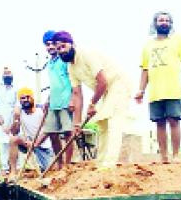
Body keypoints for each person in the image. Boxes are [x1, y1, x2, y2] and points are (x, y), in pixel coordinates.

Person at [52, 30, 135, 168]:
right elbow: (77, 94)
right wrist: (77, 124)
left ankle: (109, 165)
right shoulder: (71, 68)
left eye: (63, 46)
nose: (61, 51)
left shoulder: (86, 54)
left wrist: (92, 104)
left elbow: (102, 81)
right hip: (105, 92)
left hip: (118, 83)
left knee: (114, 121)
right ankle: (101, 163)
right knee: (102, 124)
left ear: (71, 44)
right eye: (58, 49)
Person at [134, 12, 181, 163]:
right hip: (155, 91)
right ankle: (164, 157)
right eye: (161, 20)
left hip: (173, 89)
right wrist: (141, 90)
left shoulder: (178, 40)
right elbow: (145, 69)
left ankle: (176, 155)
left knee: (174, 120)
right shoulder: (148, 45)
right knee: (159, 122)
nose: (164, 22)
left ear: (170, 24)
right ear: (155, 23)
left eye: (167, 20)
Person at [42, 30, 75, 169]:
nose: (50, 47)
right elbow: (54, 84)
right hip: (53, 103)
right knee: (52, 133)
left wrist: (73, 98)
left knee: (68, 133)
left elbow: (73, 80)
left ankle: (67, 165)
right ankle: (59, 163)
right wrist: (48, 100)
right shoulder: (50, 63)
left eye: (52, 44)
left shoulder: (64, 60)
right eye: (47, 45)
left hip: (66, 102)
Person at [9, 88, 55, 175]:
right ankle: (13, 172)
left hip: (42, 146)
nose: (25, 100)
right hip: (28, 143)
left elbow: (48, 131)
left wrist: (35, 144)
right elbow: (14, 132)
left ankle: (40, 168)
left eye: (28, 97)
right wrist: (16, 119)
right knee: (13, 139)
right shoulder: (19, 113)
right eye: (22, 98)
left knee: (50, 171)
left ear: (32, 98)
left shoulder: (41, 110)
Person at [0, 67, 18, 175]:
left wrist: (14, 122)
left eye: (9, 73)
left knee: (14, 141)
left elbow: (17, 105)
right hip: (2, 117)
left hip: (14, 117)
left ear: (12, 76)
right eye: (5, 74)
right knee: (4, 144)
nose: (7, 75)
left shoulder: (16, 88)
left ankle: (16, 167)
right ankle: (5, 167)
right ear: (2, 76)